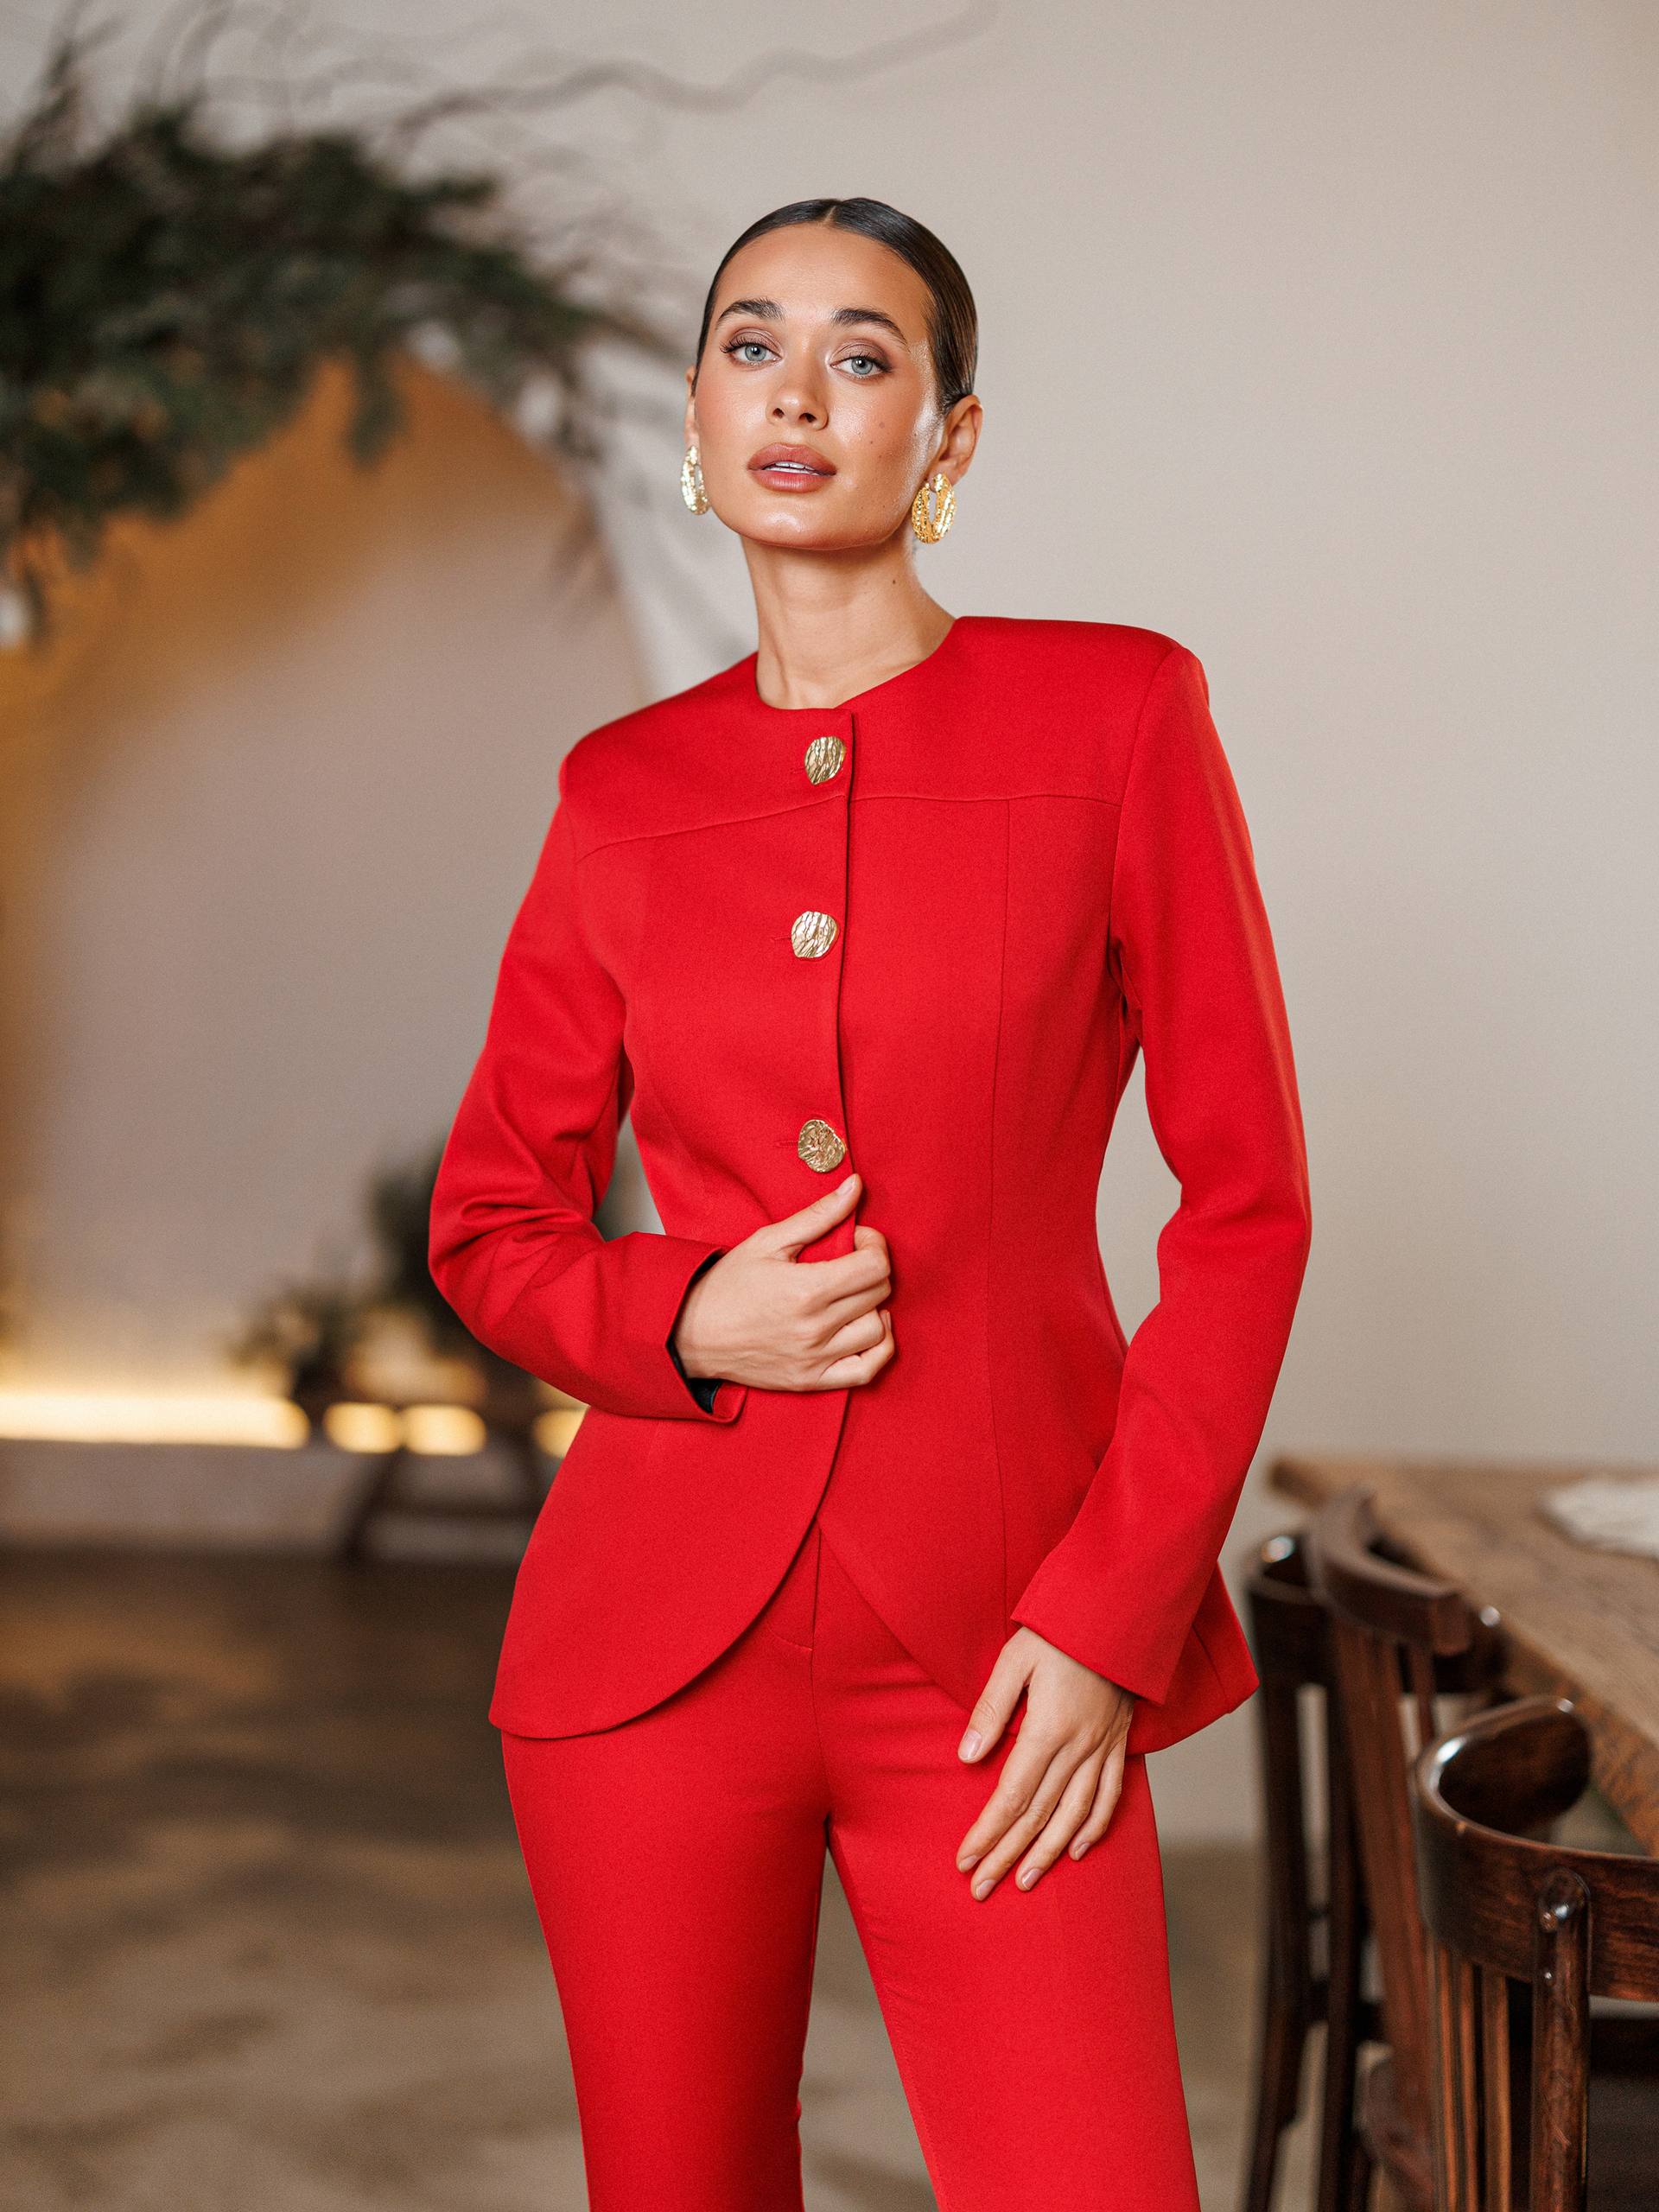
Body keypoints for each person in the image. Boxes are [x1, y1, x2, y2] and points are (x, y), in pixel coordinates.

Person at [429, 194, 1313, 2212]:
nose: (799, 390)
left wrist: (1111, 1614)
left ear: (953, 436)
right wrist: (682, 1318)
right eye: (753, 344)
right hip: (646, 1665)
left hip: (1008, 1647)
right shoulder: (620, 790)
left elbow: (1248, 1204)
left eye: (863, 350)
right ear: (698, 414)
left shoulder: (1117, 716)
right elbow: (495, 1218)